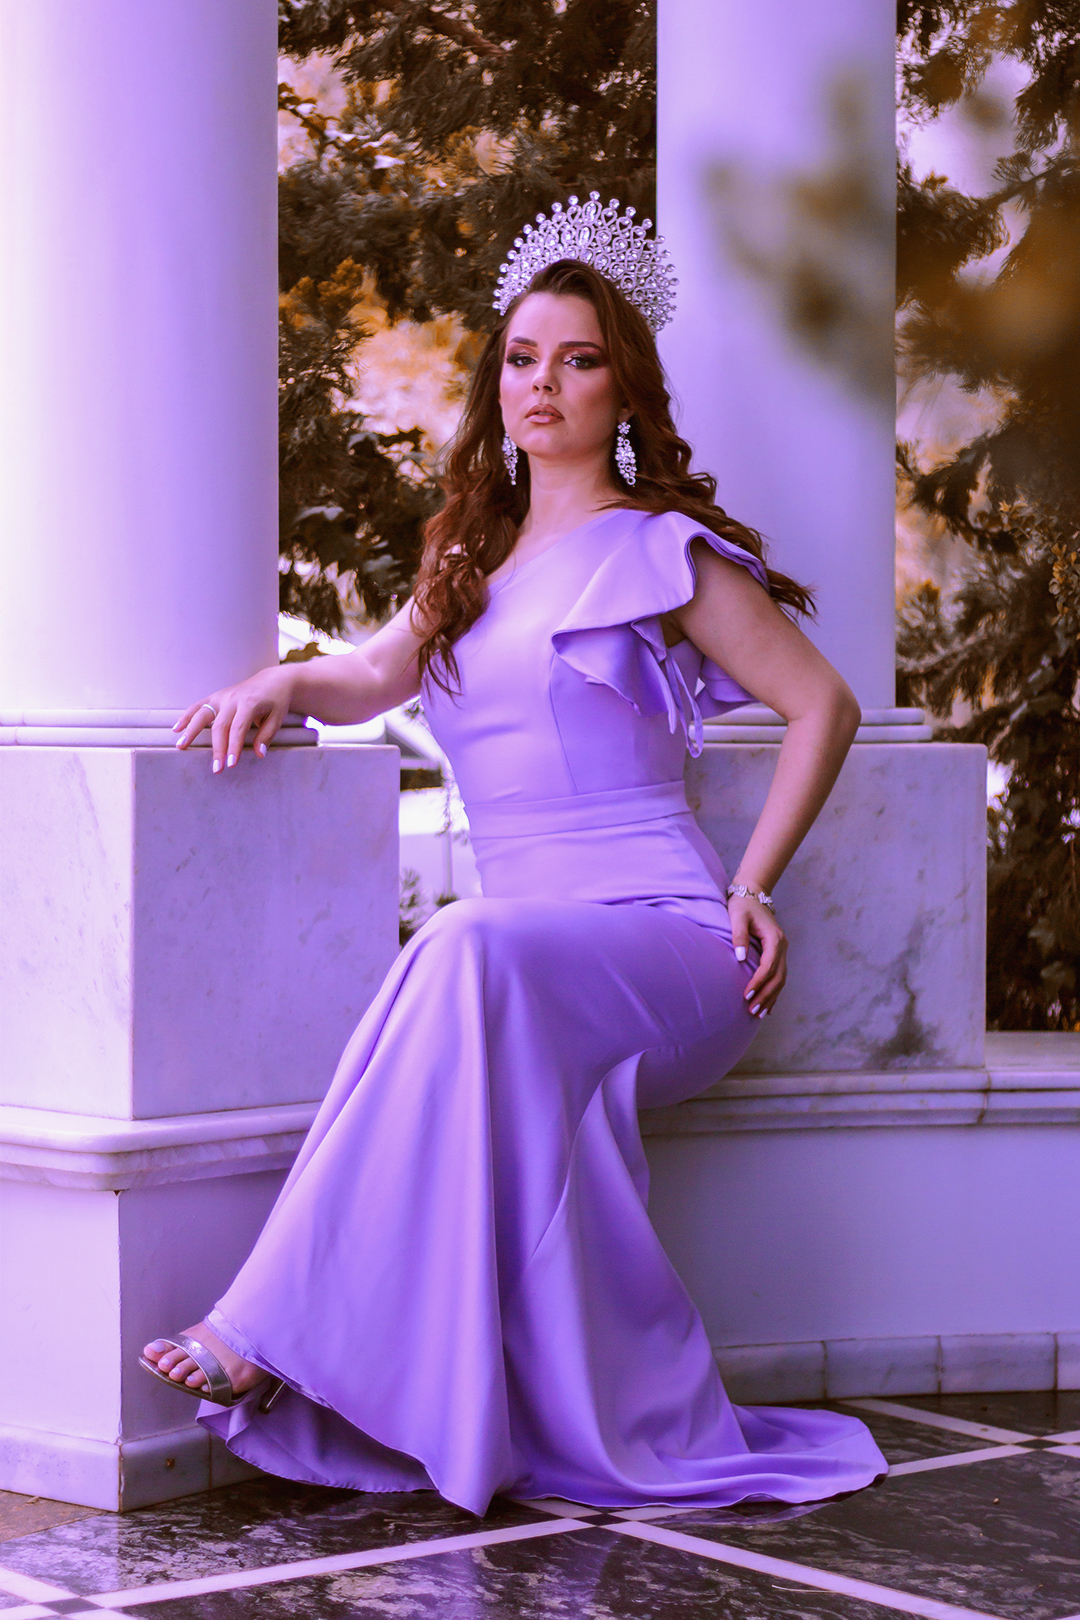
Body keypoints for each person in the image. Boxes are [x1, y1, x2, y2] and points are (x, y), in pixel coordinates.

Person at [141, 197, 887, 1514]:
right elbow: (373, 674)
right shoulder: (465, 559)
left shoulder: (663, 550)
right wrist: (279, 681)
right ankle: (377, 1372)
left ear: (624, 389)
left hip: (673, 943)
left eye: (579, 359)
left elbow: (824, 704)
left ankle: (261, 1333)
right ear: (498, 382)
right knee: (469, 953)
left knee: (462, 941)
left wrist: (752, 882)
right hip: (520, 961)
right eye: (523, 357)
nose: (545, 383)